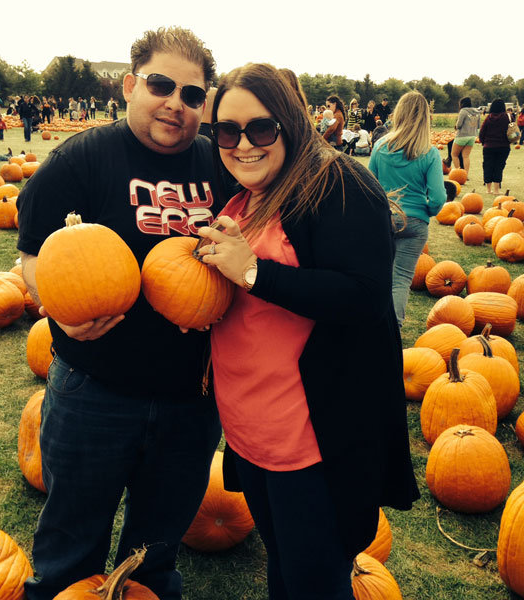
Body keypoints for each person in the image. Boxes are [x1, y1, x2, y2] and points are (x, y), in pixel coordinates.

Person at [16, 26, 230, 600]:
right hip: (95, 386)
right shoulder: (82, 158)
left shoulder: (222, 166)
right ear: (131, 85)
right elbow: (33, 251)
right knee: (70, 540)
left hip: (194, 393)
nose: (175, 103)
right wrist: (56, 308)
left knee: (155, 549)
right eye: (162, 85)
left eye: (191, 95)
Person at [196, 62, 419, 600]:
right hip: (253, 432)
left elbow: (364, 296)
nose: (243, 143)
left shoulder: (337, 182)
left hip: (310, 442)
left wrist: (254, 271)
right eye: (228, 130)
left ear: (291, 123)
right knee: (286, 569)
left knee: (314, 580)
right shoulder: (250, 191)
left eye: (261, 127)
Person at [368, 90, 447, 329]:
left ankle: (369, 326)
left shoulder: (380, 146)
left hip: (383, 219)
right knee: (400, 279)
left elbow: (369, 186)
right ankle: (392, 331)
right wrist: (426, 211)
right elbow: (437, 198)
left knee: (376, 275)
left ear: (399, 114)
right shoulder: (430, 153)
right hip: (414, 223)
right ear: (425, 118)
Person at [478, 98, 511, 194]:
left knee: (488, 166)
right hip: (503, 147)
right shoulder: (507, 117)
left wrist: (484, 142)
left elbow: (482, 132)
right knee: (499, 167)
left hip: (489, 147)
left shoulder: (488, 118)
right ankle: (496, 190)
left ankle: (488, 189)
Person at [450, 97, 480, 177]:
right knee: (466, 156)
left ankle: (459, 174)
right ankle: (465, 175)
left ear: (462, 104)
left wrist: (455, 126)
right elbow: (478, 125)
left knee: (454, 154)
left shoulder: (463, 111)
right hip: (472, 136)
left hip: (462, 136)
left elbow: (459, 125)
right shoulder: (477, 112)